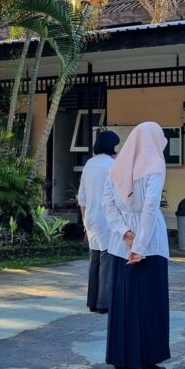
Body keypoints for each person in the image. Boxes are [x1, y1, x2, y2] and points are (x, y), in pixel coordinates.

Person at [102, 122, 171, 369]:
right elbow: (150, 208)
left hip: (121, 244)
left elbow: (107, 204)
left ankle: (121, 359)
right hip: (150, 243)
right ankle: (145, 361)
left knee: (123, 301)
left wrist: (124, 233)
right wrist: (140, 245)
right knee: (149, 302)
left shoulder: (116, 168)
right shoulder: (154, 166)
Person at [78, 130, 119, 314]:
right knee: (107, 259)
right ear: (113, 146)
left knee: (94, 259)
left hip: (91, 217)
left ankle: (92, 301)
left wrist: (84, 220)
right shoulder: (112, 165)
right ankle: (105, 303)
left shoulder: (89, 164)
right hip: (107, 217)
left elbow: (82, 197)